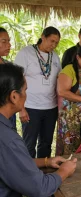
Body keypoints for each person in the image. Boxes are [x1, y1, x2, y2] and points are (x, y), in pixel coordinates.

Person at [0, 63, 77, 197]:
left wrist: (45, 161)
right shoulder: (8, 139)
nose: (26, 94)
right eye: (25, 90)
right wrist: (64, 171)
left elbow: (11, 161)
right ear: (14, 97)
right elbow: (40, 188)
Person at [14, 26, 61, 158]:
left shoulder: (55, 57)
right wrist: (21, 109)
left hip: (51, 108)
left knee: (46, 143)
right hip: (30, 107)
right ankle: (27, 175)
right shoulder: (26, 53)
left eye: (56, 42)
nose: (54, 45)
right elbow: (17, 81)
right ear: (43, 37)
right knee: (29, 144)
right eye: (51, 41)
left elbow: (59, 80)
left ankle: (43, 173)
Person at [0, 27, 16, 130]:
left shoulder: (8, 65)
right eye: (4, 41)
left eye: (9, 41)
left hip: (9, 114)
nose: (9, 45)